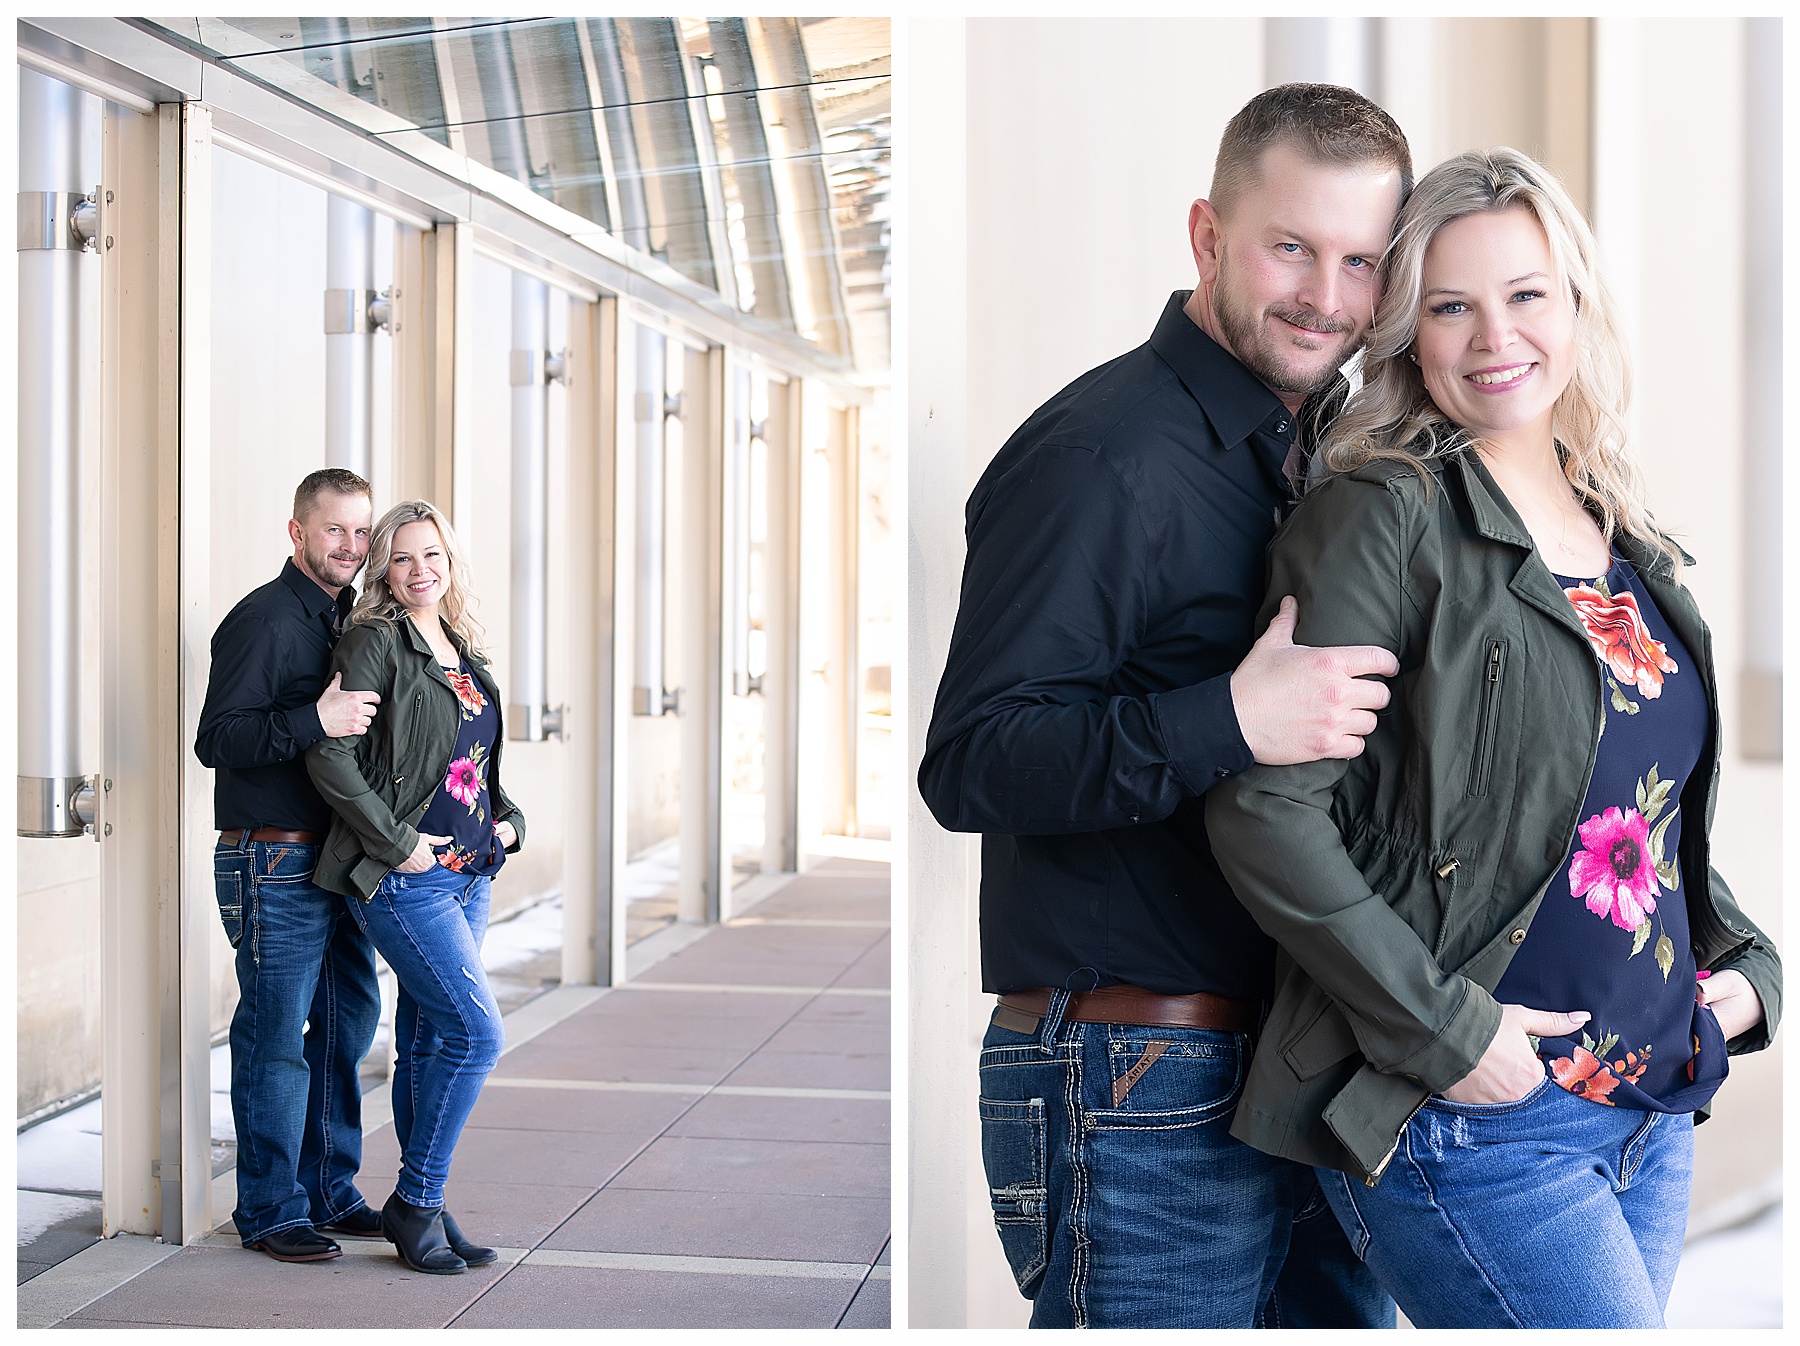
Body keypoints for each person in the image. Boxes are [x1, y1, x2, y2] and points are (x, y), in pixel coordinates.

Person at [1206, 148, 1782, 1329]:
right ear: (1410, 331)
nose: (1492, 337)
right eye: (1452, 306)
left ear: (1575, 304)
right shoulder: (1384, 515)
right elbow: (1264, 810)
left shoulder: (1620, 529)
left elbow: (1632, 808)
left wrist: (1747, 973)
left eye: (1524, 295)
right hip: (1473, 1114)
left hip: (1651, 1103)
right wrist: (1449, 1032)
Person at [919, 85, 1412, 1329]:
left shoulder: (1319, 456)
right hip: (1136, 1072)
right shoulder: (1104, 454)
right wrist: (1231, 721)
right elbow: (972, 761)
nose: (1327, 297)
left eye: (1361, 262)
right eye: (1290, 246)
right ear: (1207, 236)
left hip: (1289, 1067)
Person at [307, 499, 523, 1275]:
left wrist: (509, 820)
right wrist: (400, 848)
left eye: (432, 554)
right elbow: (331, 758)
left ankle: (422, 1204)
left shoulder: (458, 645)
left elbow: (476, 758)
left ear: (450, 561)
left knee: (432, 1039)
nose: (420, 569)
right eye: (402, 557)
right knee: (476, 1034)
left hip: (471, 874)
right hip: (405, 878)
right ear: (383, 570)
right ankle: (416, 1202)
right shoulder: (375, 640)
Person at [195, 468, 385, 1263]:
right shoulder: (263, 620)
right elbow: (218, 739)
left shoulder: (356, 622)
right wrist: (317, 717)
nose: (350, 546)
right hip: (271, 858)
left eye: (360, 532)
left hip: (340, 861)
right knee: (275, 1036)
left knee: (347, 1024)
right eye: (334, 529)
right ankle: (272, 1210)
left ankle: (329, 1190)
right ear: (297, 532)